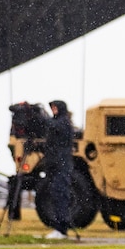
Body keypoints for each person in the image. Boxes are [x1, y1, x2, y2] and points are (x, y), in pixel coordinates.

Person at [44, 100, 79, 239]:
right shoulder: (58, 121)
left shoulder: (63, 122)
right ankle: (58, 227)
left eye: (55, 107)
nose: (53, 110)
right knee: (55, 194)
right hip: (55, 164)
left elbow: (53, 126)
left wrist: (40, 116)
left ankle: (61, 228)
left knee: (60, 194)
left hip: (61, 165)